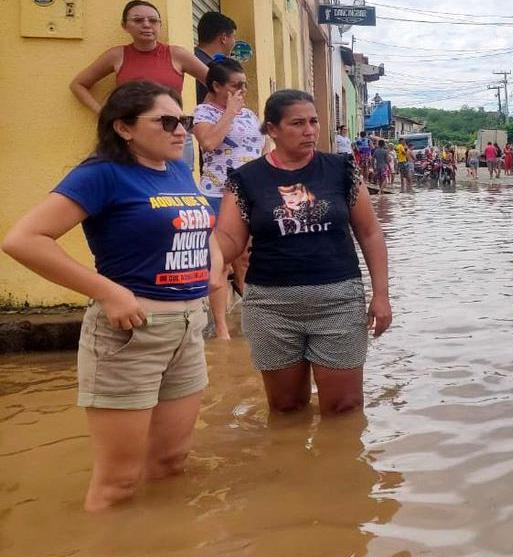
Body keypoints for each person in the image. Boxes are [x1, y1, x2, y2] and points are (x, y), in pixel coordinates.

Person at [3, 81, 217, 512]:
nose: (181, 131)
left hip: (188, 329)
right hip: (130, 333)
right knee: (118, 483)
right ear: (123, 128)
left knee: (172, 464)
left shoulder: (176, 167)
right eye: (167, 122)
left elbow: (198, 218)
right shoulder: (100, 174)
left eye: (185, 121)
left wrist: (211, 265)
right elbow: (24, 239)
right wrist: (108, 292)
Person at [215, 90, 391, 417]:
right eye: (297, 123)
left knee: (345, 408)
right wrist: (208, 257)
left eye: (313, 121)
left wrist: (381, 295)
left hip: (338, 301)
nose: (309, 130)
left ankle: (339, 467)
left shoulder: (342, 170)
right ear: (272, 130)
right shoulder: (246, 180)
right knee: (286, 408)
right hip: (271, 307)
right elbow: (229, 237)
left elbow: (370, 233)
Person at [71, 1, 209, 170]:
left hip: (173, 133)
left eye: (152, 20)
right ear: (124, 26)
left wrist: (205, 117)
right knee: (132, 185)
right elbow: (78, 84)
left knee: (177, 188)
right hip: (133, 136)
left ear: (160, 25)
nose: (146, 25)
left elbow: (217, 84)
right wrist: (104, 113)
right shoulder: (116, 56)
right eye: (138, 20)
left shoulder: (177, 54)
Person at [192, 56, 262, 340]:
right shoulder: (204, 113)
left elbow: (261, 149)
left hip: (250, 195)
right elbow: (209, 143)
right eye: (236, 85)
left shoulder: (249, 114)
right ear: (217, 86)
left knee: (246, 257)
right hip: (217, 194)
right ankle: (221, 329)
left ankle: (253, 316)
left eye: (245, 85)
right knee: (218, 260)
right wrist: (229, 112)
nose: (242, 91)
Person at [194, 12, 237, 104]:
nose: (234, 42)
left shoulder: (189, 59)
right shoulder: (215, 70)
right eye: (234, 37)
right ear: (224, 38)